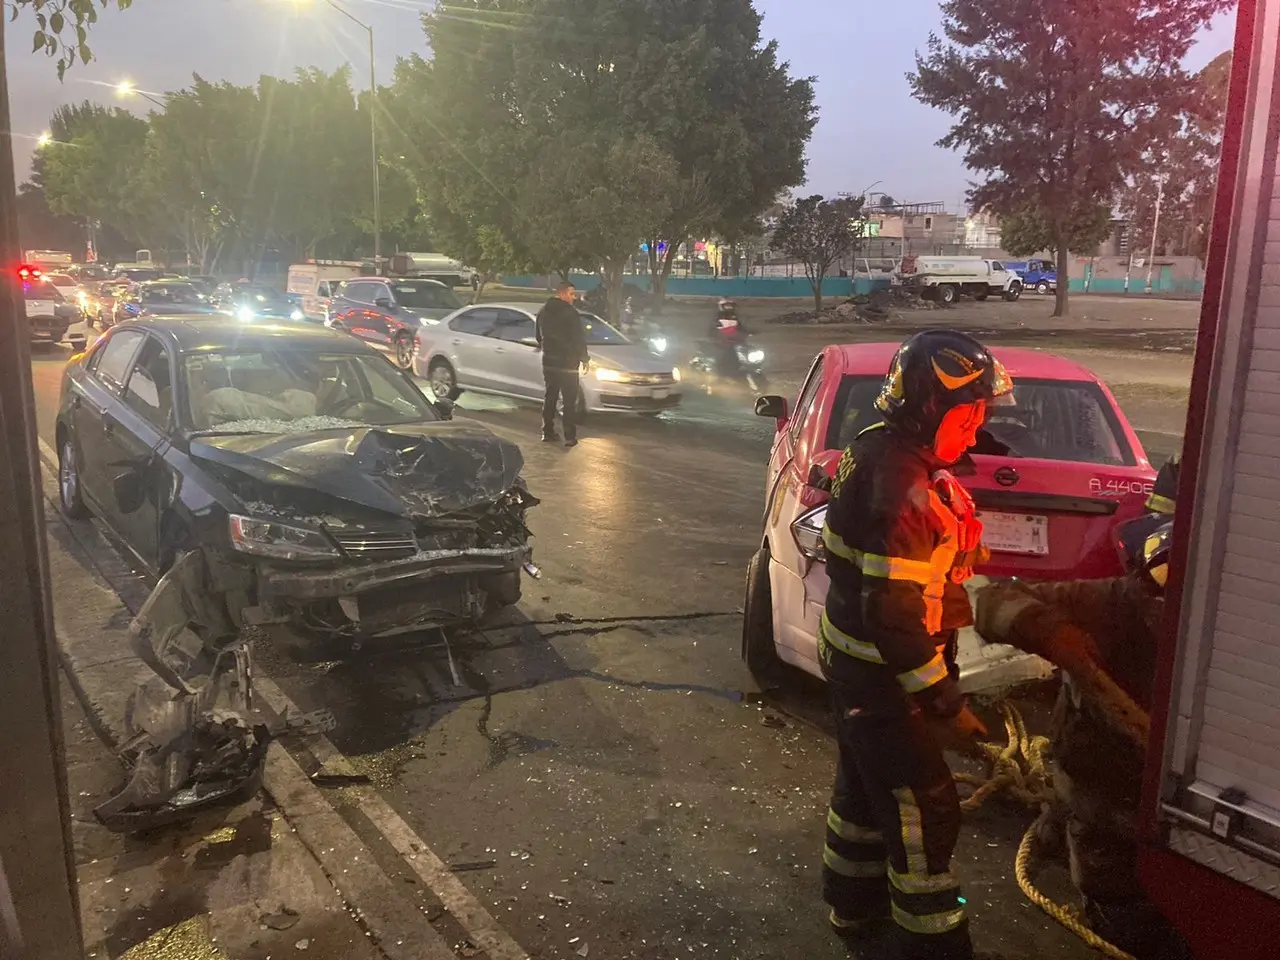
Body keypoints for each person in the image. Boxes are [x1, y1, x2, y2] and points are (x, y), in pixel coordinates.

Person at [819, 330, 1014, 960]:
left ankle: (855, 914)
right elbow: (896, 615)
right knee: (922, 809)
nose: (978, 425)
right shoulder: (904, 485)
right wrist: (944, 703)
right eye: (971, 411)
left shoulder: (881, 447)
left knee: (861, 796)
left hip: (854, 666)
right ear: (935, 407)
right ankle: (931, 946)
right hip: (883, 679)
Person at [973, 471, 1191, 960]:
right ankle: (1099, 888)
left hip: (1169, 802)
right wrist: (1048, 631)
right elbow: (992, 601)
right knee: (1126, 907)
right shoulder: (1118, 602)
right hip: (1106, 788)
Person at [535, 281, 589, 447]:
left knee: (550, 396)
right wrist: (584, 358)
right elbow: (578, 337)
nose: (574, 298)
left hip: (549, 361)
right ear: (563, 293)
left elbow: (538, 336)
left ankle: (547, 431)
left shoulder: (543, 311)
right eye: (572, 294)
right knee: (569, 400)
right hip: (568, 363)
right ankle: (569, 436)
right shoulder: (571, 313)